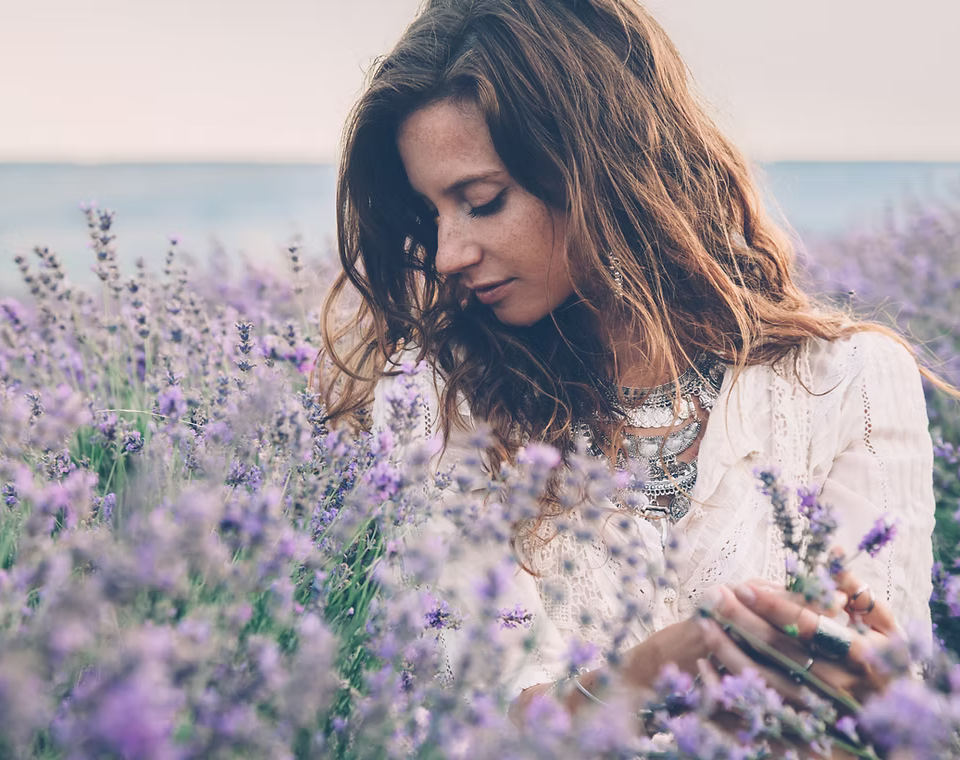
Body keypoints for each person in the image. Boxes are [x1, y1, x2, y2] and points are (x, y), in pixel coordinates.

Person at [318, 0, 947, 739]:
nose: (450, 252)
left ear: (596, 166)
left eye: (481, 201)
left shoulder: (851, 384)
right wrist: (661, 672)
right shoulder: (436, 403)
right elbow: (474, 721)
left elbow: (883, 709)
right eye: (431, 219)